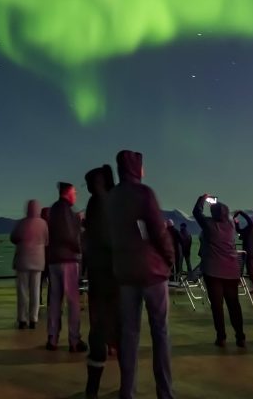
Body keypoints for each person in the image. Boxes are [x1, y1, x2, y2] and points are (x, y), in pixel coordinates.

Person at [108, 150, 174, 399]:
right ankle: (165, 393)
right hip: (152, 272)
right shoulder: (144, 194)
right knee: (160, 332)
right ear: (137, 168)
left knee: (129, 334)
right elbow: (158, 231)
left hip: (124, 273)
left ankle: (128, 392)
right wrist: (169, 259)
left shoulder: (112, 197)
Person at [83, 165, 118, 399]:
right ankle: (127, 386)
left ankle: (92, 389)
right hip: (114, 274)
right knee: (120, 326)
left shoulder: (94, 204)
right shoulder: (111, 203)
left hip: (98, 274)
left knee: (98, 327)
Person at [192, 195, 245, 347]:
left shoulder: (209, 225)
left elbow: (197, 212)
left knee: (217, 305)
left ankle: (221, 337)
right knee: (234, 304)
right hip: (231, 271)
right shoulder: (231, 226)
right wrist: (217, 204)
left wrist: (202, 198)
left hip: (213, 271)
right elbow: (226, 214)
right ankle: (240, 336)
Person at [47, 182, 86, 352]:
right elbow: (70, 234)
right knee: (72, 301)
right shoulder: (65, 211)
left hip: (54, 259)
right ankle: (74, 340)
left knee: (55, 300)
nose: (76, 195)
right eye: (74, 192)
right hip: (68, 260)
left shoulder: (54, 209)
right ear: (68, 193)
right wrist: (79, 246)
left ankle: (53, 337)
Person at [10, 200, 48, 329]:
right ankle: (34, 319)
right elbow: (47, 240)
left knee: (22, 291)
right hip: (38, 262)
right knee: (35, 291)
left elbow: (13, 238)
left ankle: (22, 319)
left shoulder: (21, 223)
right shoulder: (43, 224)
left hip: (22, 261)